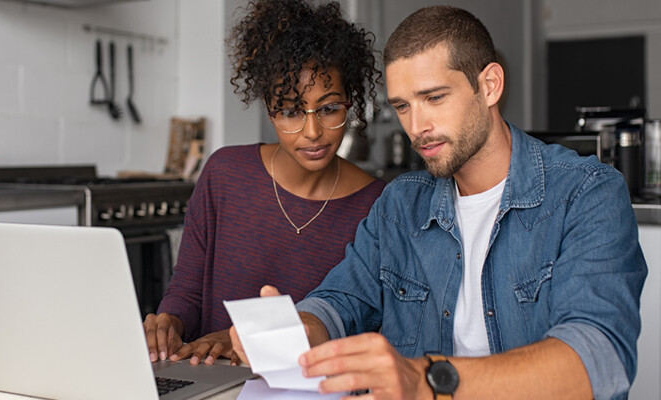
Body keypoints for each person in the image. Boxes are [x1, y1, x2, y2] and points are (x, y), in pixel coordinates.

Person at [231, 5, 647, 399]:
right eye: (402, 106)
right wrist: (299, 329)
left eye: (434, 98)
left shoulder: (587, 193)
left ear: (489, 86)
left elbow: (597, 358)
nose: (417, 127)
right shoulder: (400, 204)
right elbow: (342, 301)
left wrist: (428, 381)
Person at [144, 0, 386, 366]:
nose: (312, 132)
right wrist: (169, 323)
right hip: (210, 381)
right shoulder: (224, 174)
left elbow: (358, 326)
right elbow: (187, 292)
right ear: (268, 108)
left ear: (350, 101)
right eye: (290, 111)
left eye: (328, 108)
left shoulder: (377, 205)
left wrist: (238, 340)